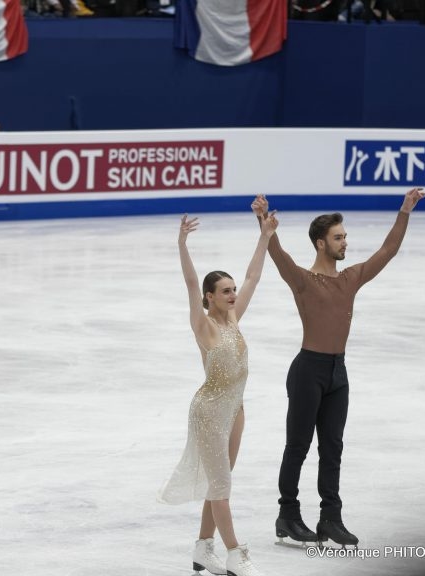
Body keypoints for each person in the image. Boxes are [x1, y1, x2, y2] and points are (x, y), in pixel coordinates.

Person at [253, 188, 425, 549]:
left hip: (337, 374)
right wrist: (264, 223)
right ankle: (287, 514)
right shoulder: (302, 280)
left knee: (332, 448)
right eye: (338, 237)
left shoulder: (350, 279)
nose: (345, 242)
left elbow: (387, 251)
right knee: (298, 446)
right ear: (321, 244)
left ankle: (330, 517)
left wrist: (405, 211)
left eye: (345, 236)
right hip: (308, 371)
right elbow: (278, 254)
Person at [159, 204, 278, 576]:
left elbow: (253, 276)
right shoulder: (204, 326)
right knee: (221, 487)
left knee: (219, 482)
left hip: (235, 409)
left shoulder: (233, 317)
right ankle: (235, 554)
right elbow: (191, 284)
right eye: (224, 291)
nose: (232, 294)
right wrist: (182, 245)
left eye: (232, 290)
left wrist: (264, 236)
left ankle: (202, 548)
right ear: (210, 297)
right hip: (209, 411)